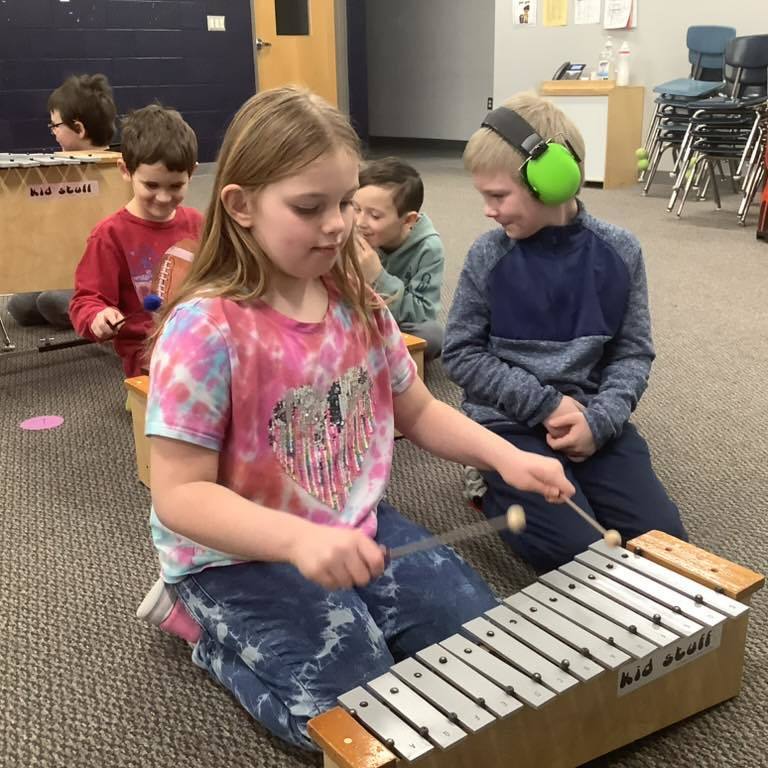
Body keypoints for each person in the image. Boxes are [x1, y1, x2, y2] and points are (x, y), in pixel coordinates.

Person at [138, 86, 575, 751]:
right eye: (310, 207)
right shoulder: (206, 330)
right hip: (233, 556)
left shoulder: (360, 304)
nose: (339, 224)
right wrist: (295, 542)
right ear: (242, 205)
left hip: (353, 521)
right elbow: (179, 494)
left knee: (486, 657)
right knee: (354, 722)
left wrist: (506, 457)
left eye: (345, 202)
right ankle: (210, 643)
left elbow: (420, 410)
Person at [443, 92, 687, 574]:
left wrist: (601, 421)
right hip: (509, 424)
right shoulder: (488, 256)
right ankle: (488, 480)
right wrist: (546, 405)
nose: (488, 211)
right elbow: (461, 354)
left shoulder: (620, 251)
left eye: (497, 196)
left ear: (551, 183)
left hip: (594, 417)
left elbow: (633, 352)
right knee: (580, 558)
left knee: (666, 545)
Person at [68, 104, 203, 376]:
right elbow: (87, 299)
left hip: (198, 343)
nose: (164, 198)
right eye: (151, 185)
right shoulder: (110, 235)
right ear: (125, 170)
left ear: (193, 173)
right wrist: (98, 316)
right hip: (146, 358)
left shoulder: (198, 224)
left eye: (175, 186)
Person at [8, 73, 117, 329]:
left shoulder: (118, 171)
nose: (53, 133)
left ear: (79, 128)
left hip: (100, 274)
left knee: (51, 301)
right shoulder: (56, 171)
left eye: (55, 126)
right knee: (19, 306)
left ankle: (102, 315)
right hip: (67, 265)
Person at [353, 157, 445, 359]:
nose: (360, 222)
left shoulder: (428, 248)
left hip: (397, 322)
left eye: (375, 216)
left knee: (432, 336)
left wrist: (378, 277)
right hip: (358, 315)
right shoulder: (350, 231)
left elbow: (423, 313)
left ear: (408, 220)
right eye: (356, 209)